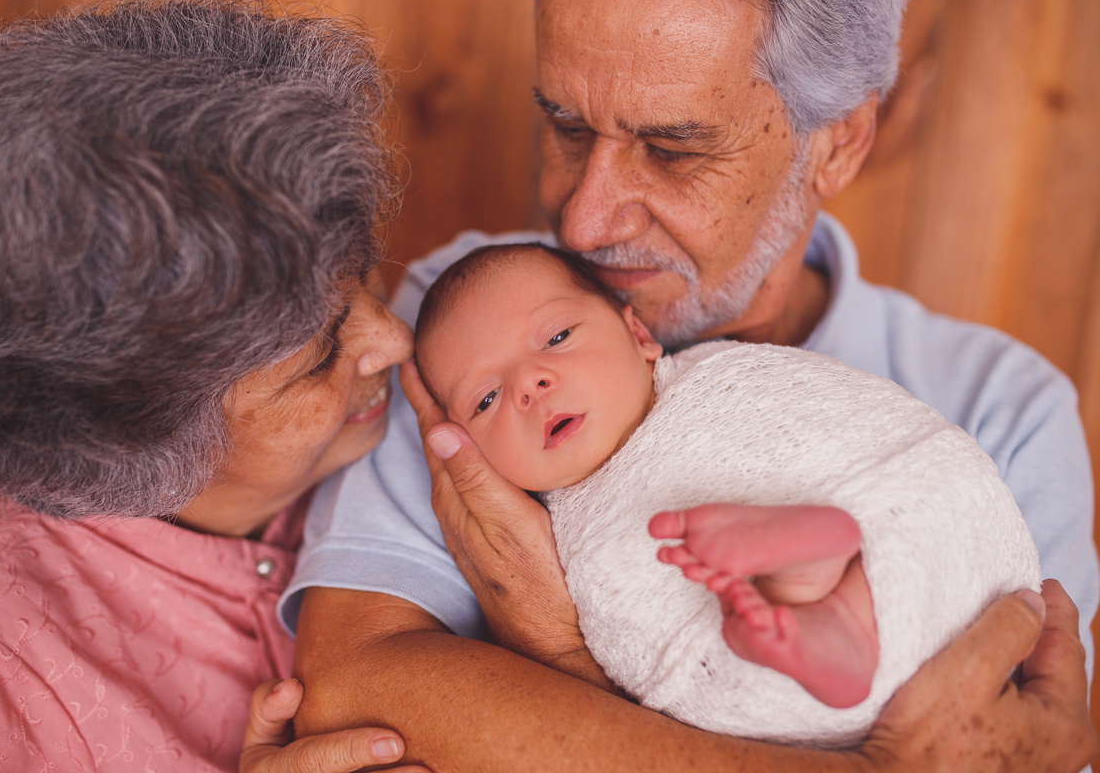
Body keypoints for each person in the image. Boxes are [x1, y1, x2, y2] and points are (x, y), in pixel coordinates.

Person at [281, 0, 1099, 770]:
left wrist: (560, 654)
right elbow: (357, 688)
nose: (584, 222)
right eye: (567, 127)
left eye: (672, 150)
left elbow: (1022, 753)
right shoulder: (472, 321)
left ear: (839, 142)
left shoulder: (1001, 413)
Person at [0, 0, 428, 773]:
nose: (393, 339)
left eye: (365, 273)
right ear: (132, 436)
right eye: (321, 355)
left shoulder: (437, 420)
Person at [410, 241, 1039, 747]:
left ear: (640, 335)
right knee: (757, 649)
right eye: (485, 399)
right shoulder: (528, 542)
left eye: (556, 338)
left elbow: (827, 422)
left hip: (926, 537)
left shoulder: (715, 379)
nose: (530, 384)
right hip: (830, 711)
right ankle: (823, 613)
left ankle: (817, 568)